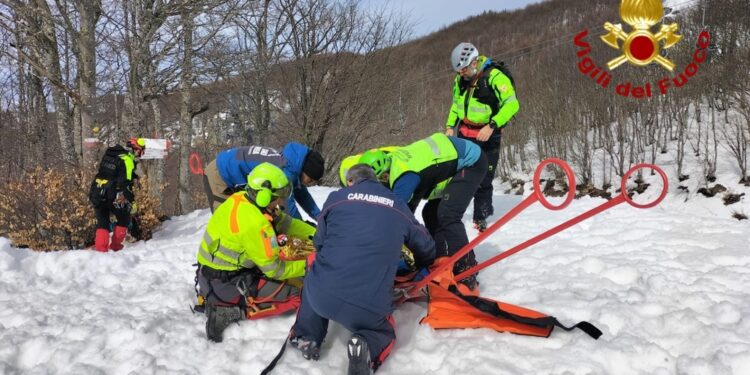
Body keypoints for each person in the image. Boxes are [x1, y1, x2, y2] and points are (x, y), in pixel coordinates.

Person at [290, 164, 435, 374]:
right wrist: (424, 262)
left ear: (350, 181)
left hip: (322, 297)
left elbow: (319, 243)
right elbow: (425, 246)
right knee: (383, 332)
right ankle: (366, 344)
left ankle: (307, 338)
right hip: (368, 306)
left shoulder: (336, 199)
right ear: (376, 180)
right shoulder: (397, 204)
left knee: (314, 265)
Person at [196, 162, 316, 342]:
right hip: (225, 283)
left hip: (217, 273)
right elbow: (276, 270)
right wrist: (309, 265)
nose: (283, 201)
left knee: (291, 246)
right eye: (280, 196)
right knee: (298, 295)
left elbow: (286, 223)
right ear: (264, 196)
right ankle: (228, 311)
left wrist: (317, 234)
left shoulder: (244, 198)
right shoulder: (255, 223)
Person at [359, 133, 487, 291]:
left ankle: (466, 269)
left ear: (383, 175)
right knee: (430, 212)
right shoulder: (387, 160)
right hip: (444, 162)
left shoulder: (404, 177)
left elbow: (397, 216)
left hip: (471, 162)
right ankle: (439, 259)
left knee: (448, 214)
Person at [445, 42, 519, 232]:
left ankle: (481, 216)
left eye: (463, 70)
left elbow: (512, 104)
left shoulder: (495, 77)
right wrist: (450, 126)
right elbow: (456, 104)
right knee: (458, 173)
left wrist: (492, 125)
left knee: (484, 178)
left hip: (487, 134)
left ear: (474, 62)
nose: (460, 74)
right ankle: (452, 212)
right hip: (464, 132)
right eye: (458, 71)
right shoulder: (460, 79)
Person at [203, 143, 325, 218]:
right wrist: (304, 231)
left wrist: (320, 218)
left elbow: (302, 195)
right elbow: (288, 208)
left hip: (233, 173)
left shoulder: (290, 164)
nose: (311, 183)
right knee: (227, 221)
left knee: (255, 217)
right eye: (311, 179)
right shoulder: (283, 171)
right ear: (304, 170)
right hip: (219, 175)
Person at [88, 137, 145, 252]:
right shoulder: (127, 160)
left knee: (102, 220)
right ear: (135, 150)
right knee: (123, 217)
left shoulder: (111, 153)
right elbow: (124, 185)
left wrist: (133, 176)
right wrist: (132, 202)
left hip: (96, 189)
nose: (140, 155)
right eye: (141, 151)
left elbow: (111, 172)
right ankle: (115, 247)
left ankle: (100, 250)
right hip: (112, 192)